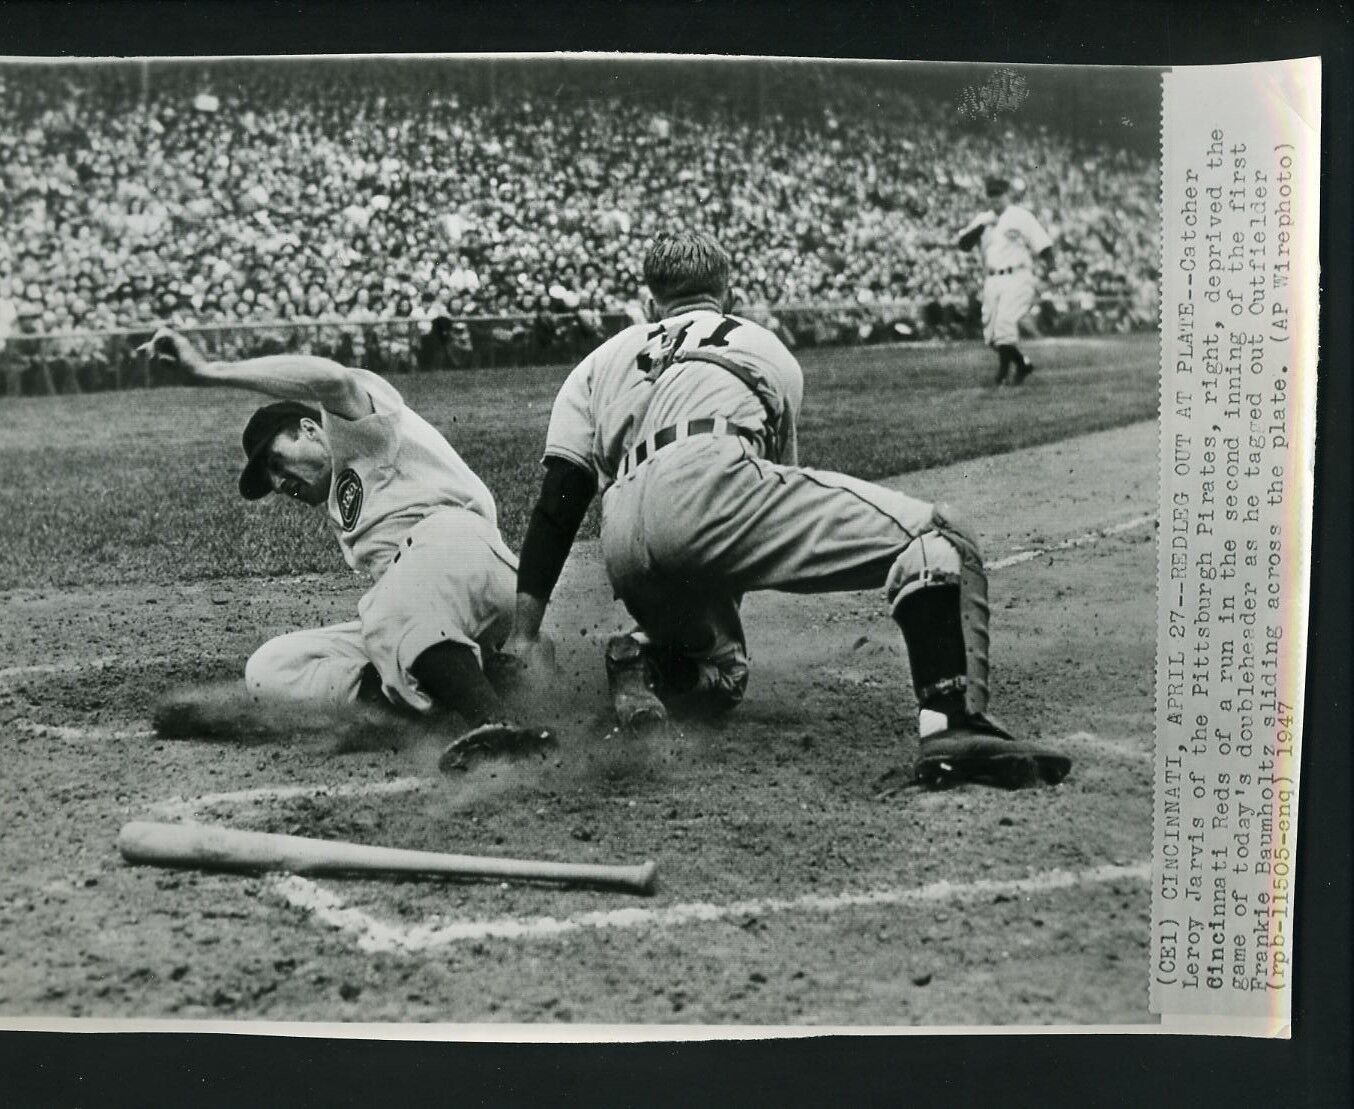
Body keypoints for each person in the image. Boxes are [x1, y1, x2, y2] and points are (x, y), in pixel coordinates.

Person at [497, 230, 1071, 789]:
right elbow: (763, 490)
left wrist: (524, 635)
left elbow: (559, 500)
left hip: (621, 528)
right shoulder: (759, 341)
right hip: (709, 480)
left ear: (650, 303)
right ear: (729, 296)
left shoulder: (600, 360)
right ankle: (953, 724)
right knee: (940, 535)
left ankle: (642, 656)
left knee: (723, 676)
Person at [137, 326, 554, 773]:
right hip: (431, 611)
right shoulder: (340, 503)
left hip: (465, 559)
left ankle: (498, 727)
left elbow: (331, 380)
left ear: (310, 428)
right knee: (273, 667)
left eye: (276, 462)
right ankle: (450, 698)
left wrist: (210, 371)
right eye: (269, 480)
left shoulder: (361, 434)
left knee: (387, 604)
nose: (279, 483)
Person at [957, 177, 1055, 386]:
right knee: (991, 336)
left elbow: (1044, 245)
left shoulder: (1020, 216)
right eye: (991, 196)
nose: (995, 200)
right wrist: (980, 228)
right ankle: (1022, 364)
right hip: (992, 279)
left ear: (1007, 194)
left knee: (1004, 326)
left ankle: (1002, 374)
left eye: (999, 195)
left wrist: (1051, 271)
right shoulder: (983, 219)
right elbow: (963, 244)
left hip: (1017, 277)